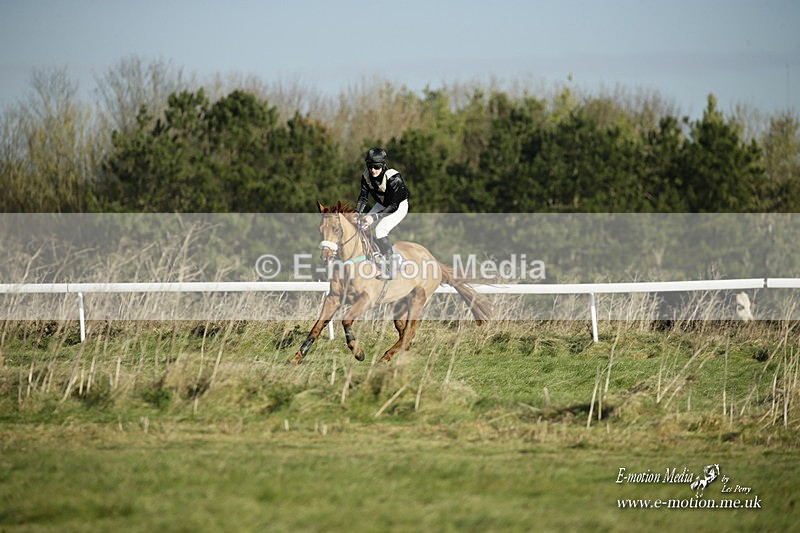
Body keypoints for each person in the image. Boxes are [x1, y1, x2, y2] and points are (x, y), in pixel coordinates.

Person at [355, 147, 410, 279]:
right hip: (382, 204)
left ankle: (393, 266)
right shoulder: (366, 176)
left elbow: (393, 205)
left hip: (398, 206)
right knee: (362, 227)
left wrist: (373, 217)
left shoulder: (393, 178)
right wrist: (356, 213)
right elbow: (363, 198)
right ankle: (375, 257)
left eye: (376, 166)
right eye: (370, 166)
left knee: (380, 230)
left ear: (383, 165)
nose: (373, 170)